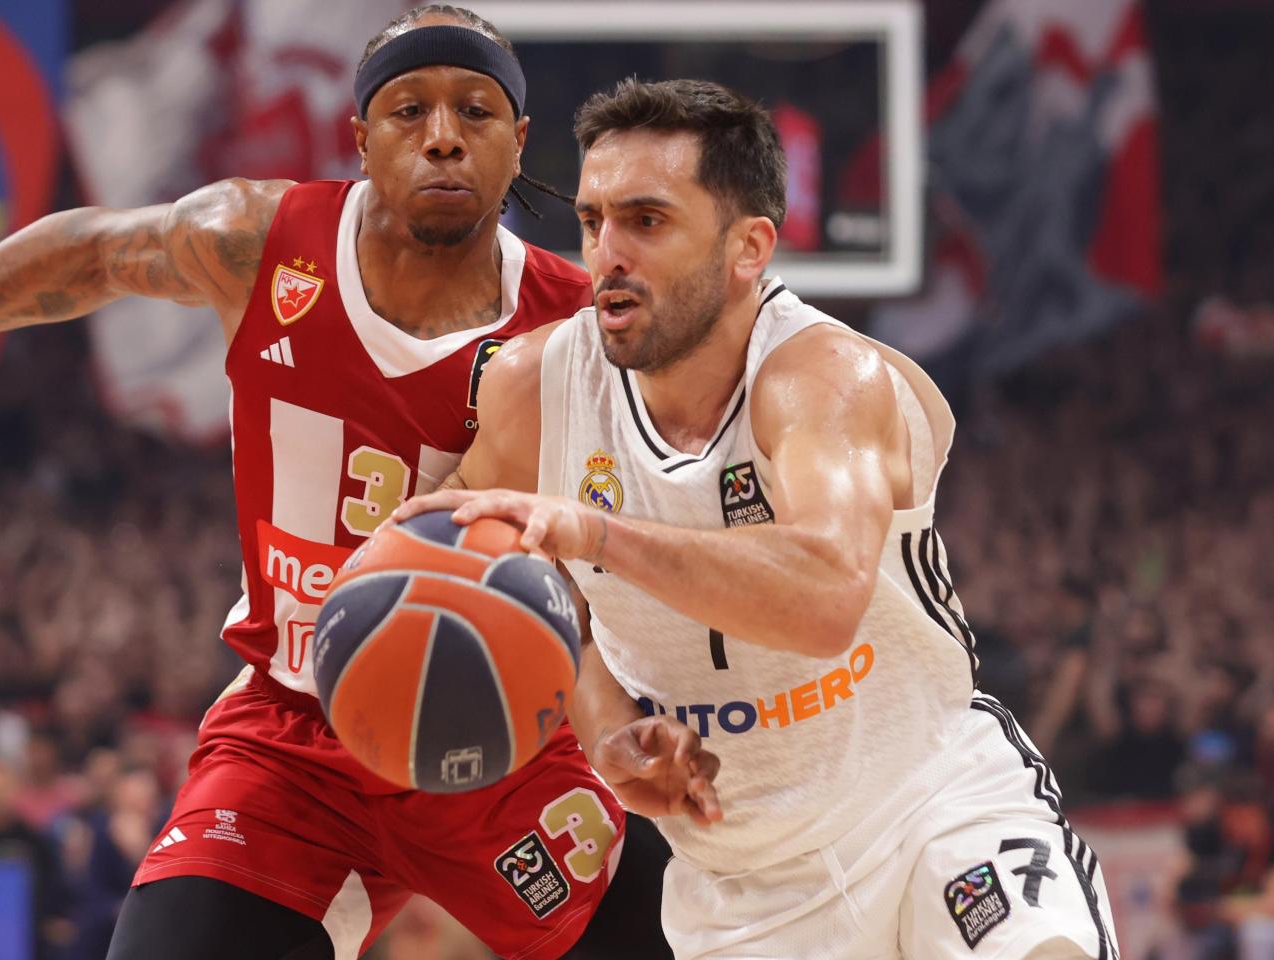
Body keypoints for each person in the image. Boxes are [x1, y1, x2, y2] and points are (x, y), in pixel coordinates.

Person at [0, 7, 672, 958]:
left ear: (518, 140)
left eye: (474, 110)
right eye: (407, 110)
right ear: (359, 138)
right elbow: (92, 251)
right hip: (297, 734)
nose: (442, 136)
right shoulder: (259, 237)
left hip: (501, 728)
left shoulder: (581, 333)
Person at [396, 78, 1120, 958]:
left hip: (931, 809)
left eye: (646, 221)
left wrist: (596, 532)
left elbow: (825, 595)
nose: (607, 254)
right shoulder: (532, 389)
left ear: (749, 248)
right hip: (741, 890)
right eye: (592, 221)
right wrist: (607, 726)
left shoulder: (824, 379)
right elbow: (508, 583)